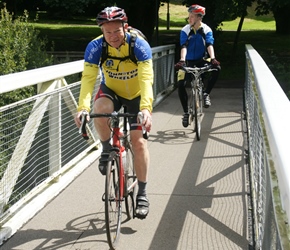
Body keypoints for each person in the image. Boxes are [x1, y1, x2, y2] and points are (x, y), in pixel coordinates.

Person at [74, 6, 153, 219]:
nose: (112, 37)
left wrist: (146, 107)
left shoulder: (139, 45)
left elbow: (146, 78)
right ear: (102, 31)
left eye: (117, 31)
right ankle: (107, 148)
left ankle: (143, 193)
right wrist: (82, 108)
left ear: (125, 27)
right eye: (107, 32)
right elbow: (88, 79)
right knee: (99, 110)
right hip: (113, 92)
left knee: (138, 142)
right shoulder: (96, 47)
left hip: (136, 96)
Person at [175, 4, 221, 128]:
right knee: (180, 84)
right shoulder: (185, 29)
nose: (189, 18)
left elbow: (210, 44)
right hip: (188, 61)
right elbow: (183, 46)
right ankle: (185, 112)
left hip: (202, 59)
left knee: (217, 69)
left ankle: (206, 94)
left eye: (192, 16)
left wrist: (213, 58)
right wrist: (182, 60)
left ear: (199, 17)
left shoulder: (206, 29)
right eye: (189, 16)